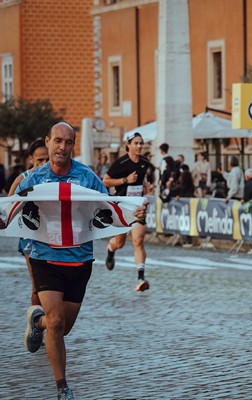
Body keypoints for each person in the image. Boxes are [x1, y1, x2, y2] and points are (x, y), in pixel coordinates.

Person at [15, 122, 146, 400]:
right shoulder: (34, 179)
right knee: (58, 321)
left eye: (69, 142)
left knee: (62, 327)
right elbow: (14, 208)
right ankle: (62, 387)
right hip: (44, 256)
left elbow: (110, 208)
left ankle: (36, 321)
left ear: (73, 145)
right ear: (48, 142)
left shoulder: (87, 177)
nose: (63, 147)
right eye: (58, 141)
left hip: (80, 260)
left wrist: (135, 215)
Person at [103, 132, 153, 292]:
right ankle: (111, 250)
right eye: (136, 143)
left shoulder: (145, 162)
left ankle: (141, 277)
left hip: (138, 207)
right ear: (128, 145)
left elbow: (143, 180)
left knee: (138, 241)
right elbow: (105, 180)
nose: (139, 146)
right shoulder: (120, 163)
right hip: (122, 206)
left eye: (141, 143)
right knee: (120, 243)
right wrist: (125, 180)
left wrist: (147, 187)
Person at [8, 138, 49, 306]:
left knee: (52, 283)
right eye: (40, 160)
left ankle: (50, 318)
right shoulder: (22, 180)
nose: (44, 163)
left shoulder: (55, 178)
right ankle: (35, 320)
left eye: (47, 159)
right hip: (29, 236)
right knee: (37, 284)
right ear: (31, 159)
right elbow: (8, 208)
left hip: (51, 234)